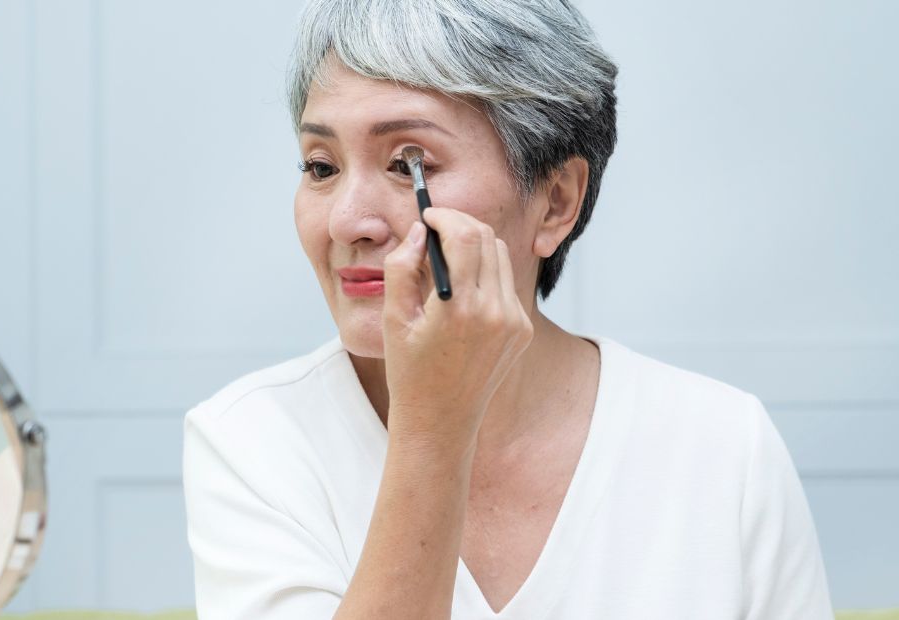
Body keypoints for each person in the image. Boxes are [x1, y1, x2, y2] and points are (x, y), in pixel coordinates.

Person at [182, 0, 834, 617]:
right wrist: (433, 427)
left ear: (554, 202)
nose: (348, 220)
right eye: (320, 166)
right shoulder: (251, 440)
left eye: (409, 160)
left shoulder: (723, 446)